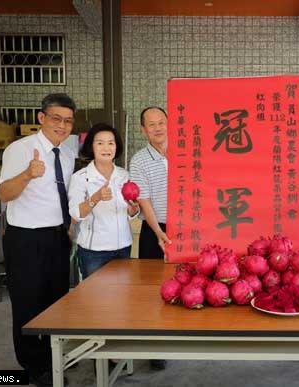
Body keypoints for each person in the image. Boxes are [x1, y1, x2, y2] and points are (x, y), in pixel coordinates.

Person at [0, 93, 77, 386]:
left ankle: (50, 358)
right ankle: (33, 367)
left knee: (56, 302)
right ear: (42, 118)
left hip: (57, 238)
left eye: (68, 121)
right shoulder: (19, 150)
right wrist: (28, 175)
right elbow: (3, 194)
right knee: (27, 303)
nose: (62, 125)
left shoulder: (67, 155)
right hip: (25, 240)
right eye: (56, 118)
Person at [68, 123, 139, 279]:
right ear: (91, 147)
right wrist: (96, 198)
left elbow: (129, 212)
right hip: (94, 252)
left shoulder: (124, 175)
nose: (106, 148)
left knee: (122, 297)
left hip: (123, 248)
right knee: (96, 300)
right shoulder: (80, 177)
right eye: (100, 143)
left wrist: (133, 210)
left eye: (110, 143)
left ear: (116, 147)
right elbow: (75, 215)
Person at [129, 106, 170, 370]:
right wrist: (158, 233)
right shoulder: (139, 160)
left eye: (161, 122)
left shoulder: (185, 151)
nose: (157, 128)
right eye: (151, 125)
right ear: (143, 130)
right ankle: (156, 347)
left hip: (186, 230)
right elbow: (143, 201)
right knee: (153, 291)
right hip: (154, 229)